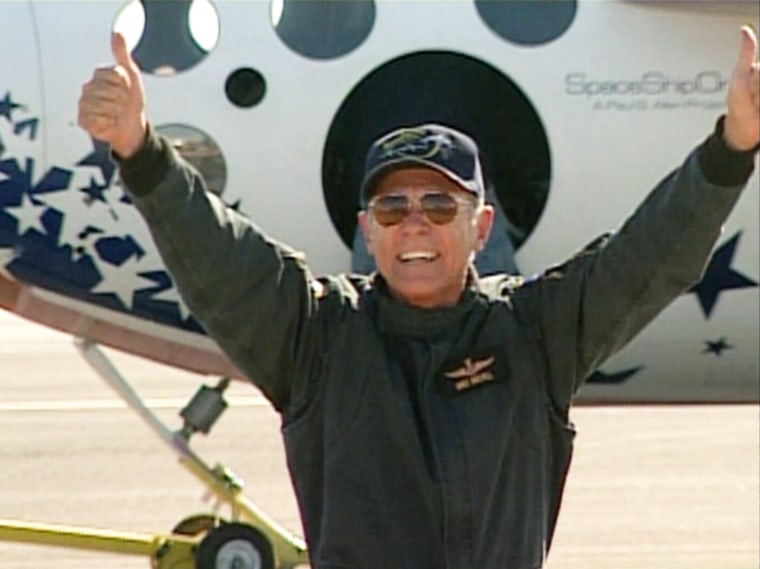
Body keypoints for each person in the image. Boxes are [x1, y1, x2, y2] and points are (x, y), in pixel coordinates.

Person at [78, 27, 759, 568]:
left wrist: (732, 149)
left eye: (439, 203)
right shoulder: (315, 338)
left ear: (481, 226)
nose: (415, 224)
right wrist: (140, 150)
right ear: (365, 230)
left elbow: (646, 259)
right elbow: (220, 255)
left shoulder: (535, 333)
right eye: (392, 206)